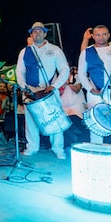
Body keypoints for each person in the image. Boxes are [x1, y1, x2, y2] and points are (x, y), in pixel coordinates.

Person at [16, 22, 70, 159]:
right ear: (31, 34)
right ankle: (32, 147)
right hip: (31, 90)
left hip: (49, 90)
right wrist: (24, 87)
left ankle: (58, 149)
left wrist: (55, 85)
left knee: (54, 119)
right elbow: (20, 72)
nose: (37, 34)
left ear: (45, 34)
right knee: (31, 120)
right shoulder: (25, 51)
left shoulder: (54, 49)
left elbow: (64, 69)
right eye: (34, 32)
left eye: (40, 31)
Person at [77, 25, 111, 150]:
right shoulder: (86, 52)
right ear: (93, 36)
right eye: (98, 35)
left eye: (104, 34)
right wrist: (90, 89)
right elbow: (81, 73)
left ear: (109, 35)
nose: (101, 37)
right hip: (95, 94)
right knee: (96, 124)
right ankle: (97, 153)